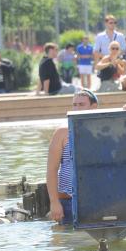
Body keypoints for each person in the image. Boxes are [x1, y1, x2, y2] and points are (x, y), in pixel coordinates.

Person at [46, 89, 99, 224]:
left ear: (93, 107)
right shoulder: (62, 132)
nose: (76, 108)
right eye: (74, 104)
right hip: (68, 201)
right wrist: (54, 203)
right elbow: (51, 170)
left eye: (81, 104)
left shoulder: (103, 130)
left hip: (98, 200)